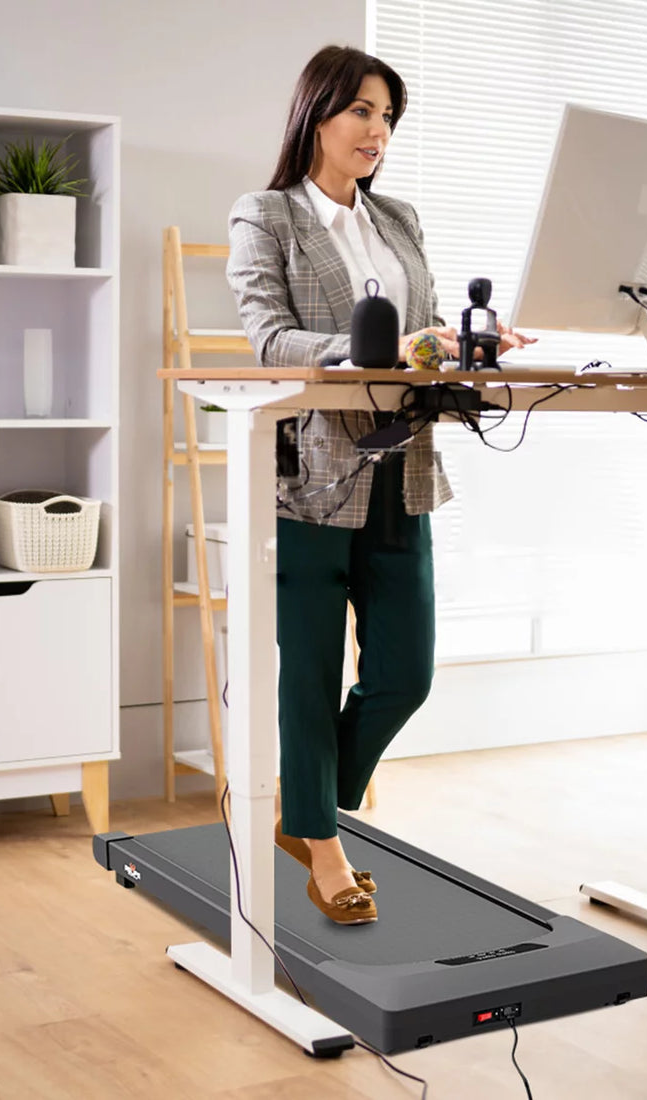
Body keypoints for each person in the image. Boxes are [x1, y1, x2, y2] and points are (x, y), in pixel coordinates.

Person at [226, 44, 533, 925]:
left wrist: (462, 342)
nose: (377, 131)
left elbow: (418, 334)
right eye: (362, 111)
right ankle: (322, 844)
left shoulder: (399, 218)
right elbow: (268, 337)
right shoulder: (268, 216)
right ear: (317, 113)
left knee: (406, 673)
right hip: (308, 479)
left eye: (388, 116)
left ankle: (306, 803)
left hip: (404, 466)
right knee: (311, 673)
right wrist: (370, 349)